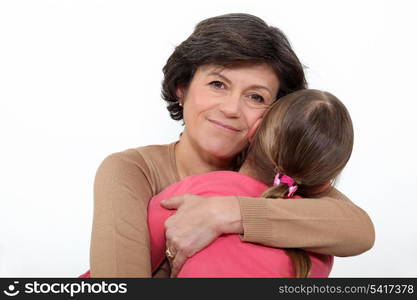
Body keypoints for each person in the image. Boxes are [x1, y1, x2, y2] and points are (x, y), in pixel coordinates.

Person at [88, 13, 374, 278]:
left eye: (256, 97)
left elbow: (358, 230)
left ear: (274, 115)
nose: (231, 109)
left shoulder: (278, 173)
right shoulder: (133, 170)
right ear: (182, 88)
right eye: (218, 84)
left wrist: (227, 213)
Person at [148, 89, 353, 277]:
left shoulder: (195, 192)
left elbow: (130, 261)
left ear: (255, 130)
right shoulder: (321, 245)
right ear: (326, 184)